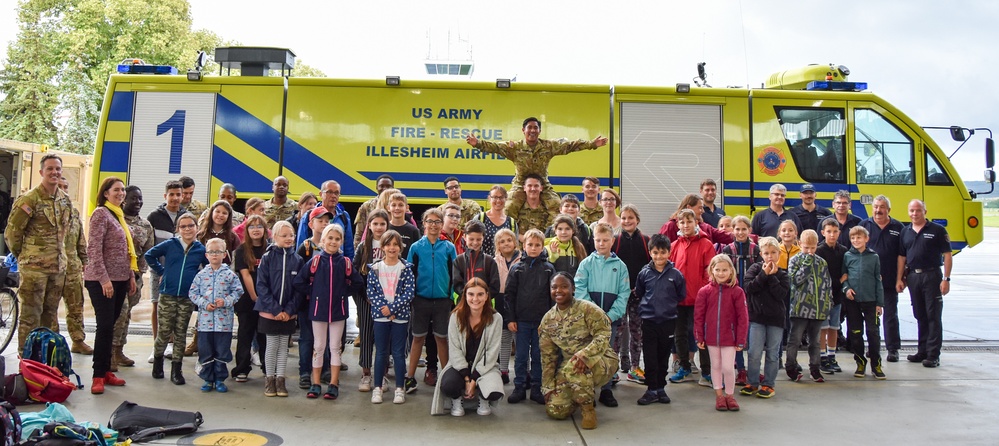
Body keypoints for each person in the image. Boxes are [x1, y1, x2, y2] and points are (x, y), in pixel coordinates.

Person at [466, 116, 607, 217]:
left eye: (535, 128)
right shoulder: (515, 148)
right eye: (529, 128)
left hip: (542, 184)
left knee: (558, 208)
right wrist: (477, 143)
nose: (532, 131)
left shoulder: (548, 146)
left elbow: (570, 146)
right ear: (523, 130)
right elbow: (495, 147)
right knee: (508, 209)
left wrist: (592, 144)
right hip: (520, 185)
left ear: (539, 131)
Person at [5, 154, 73, 350]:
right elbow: (12, 233)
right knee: (30, 316)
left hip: (57, 269)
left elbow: (65, 233)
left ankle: (45, 360)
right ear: (41, 172)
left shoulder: (64, 199)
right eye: (50, 169)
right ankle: (26, 361)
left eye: (58, 169)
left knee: (50, 316)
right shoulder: (29, 199)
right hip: (34, 270)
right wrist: (25, 257)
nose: (54, 172)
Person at [540, 272, 619, 430]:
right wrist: (547, 386)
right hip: (570, 364)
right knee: (555, 410)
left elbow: (604, 334)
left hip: (601, 359)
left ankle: (588, 409)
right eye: (554, 287)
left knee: (575, 367)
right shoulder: (548, 320)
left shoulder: (587, 309)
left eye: (564, 287)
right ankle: (579, 394)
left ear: (573, 289)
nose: (558, 291)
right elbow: (548, 357)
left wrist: (585, 356)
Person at [294, 224, 363, 400]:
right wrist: (314, 293)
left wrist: (343, 294)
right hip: (318, 311)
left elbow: (357, 282)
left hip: (338, 312)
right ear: (323, 240)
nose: (333, 241)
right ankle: (315, 383)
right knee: (318, 346)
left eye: (337, 238)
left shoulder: (345, 262)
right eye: (330, 238)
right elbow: (299, 281)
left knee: (335, 347)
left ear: (341, 241)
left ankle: (333, 383)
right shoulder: (315, 261)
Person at [83, 177, 136, 394]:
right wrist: (104, 279)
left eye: (123, 190)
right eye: (116, 190)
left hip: (121, 279)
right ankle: (97, 375)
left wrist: (131, 275)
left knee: (111, 326)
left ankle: (105, 371)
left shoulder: (118, 215)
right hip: (101, 280)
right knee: (104, 326)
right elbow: (93, 250)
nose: (121, 193)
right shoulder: (100, 214)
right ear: (106, 193)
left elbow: (124, 249)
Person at [145, 212, 207, 385]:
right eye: (183, 226)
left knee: (180, 333)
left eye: (190, 225)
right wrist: (161, 271)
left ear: (197, 227)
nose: (187, 229)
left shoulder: (200, 249)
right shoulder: (171, 244)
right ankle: (157, 364)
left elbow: (208, 268)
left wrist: (198, 279)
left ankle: (176, 369)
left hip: (187, 297)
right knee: (164, 332)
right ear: (178, 229)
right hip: (167, 295)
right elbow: (150, 255)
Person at [575, 222, 631, 408]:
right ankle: (588, 389)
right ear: (593, 240)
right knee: (588, 352)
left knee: (607, 353)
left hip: (610, 320)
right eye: (598, 240)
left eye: (605, 240)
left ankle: (606, 390)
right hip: (589, 320)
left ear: (612, 241)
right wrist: (593, 314)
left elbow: (624, 293)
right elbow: (580, 289)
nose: (601, 243)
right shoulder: (586, 264)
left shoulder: (620, 266)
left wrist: (611, 315)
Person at [431, 278, 505, 416]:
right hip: (458, 366)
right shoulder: (455, 317)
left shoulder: (496, 318)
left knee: (495, 390)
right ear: (465, 296)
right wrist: (466, 378)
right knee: (448, 385)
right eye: (471, 294)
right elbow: (454, 350)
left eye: (480, 294)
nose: (475, 299)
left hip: (485, 366)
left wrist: (474, 378)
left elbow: (492, 353)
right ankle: (456, 401)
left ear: (487, 296)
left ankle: (484, 400)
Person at [404, 208, 457, 394]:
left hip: (443, 301)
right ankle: (409, 378)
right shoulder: (416, 248)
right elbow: (409, 274)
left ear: (442, 225)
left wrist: (451, 297)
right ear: (423, 224)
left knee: (441, 338)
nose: (433, 225)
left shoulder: (449, 248)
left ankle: (446, 377)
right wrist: (412, 297)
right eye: (430, 221)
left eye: (437, 222)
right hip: (421, 300)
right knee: (418, 338)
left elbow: (454, 274)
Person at [896, 199, 951, 368]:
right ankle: (922, 351)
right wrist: (899, 278)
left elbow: (947, 255)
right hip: (913, 277)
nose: (914, 213)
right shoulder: (905, 232)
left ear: (925, 211)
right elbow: (902, 257)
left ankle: (933, 355)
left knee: (933, 315)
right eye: (911, 210)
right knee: (920, 314)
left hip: (932, 275)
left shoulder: (937, 230)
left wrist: (946, 279)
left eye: (918, 210)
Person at [502, 229, 555, 404]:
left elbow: (552, 297)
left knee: (539, 356)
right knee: (521, 356)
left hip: (541, 323)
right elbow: (509, 295)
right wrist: (511, 319)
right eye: (530, 245)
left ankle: (537, 388)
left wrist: (550, 321)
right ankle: (519, 387)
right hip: (521, 322)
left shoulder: (548, 269)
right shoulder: (517, 269)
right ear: (524, 246)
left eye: (537, 245)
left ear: (542, 247)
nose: (533, 248)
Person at [633, 234, 684, 405]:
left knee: (663, 356)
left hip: (668, 322)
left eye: (663, 253)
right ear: (650, 252)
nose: (659, 256)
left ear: (669, 253)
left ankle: (661, 388)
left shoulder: (676, 275)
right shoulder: (644, 273)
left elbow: (680, 295)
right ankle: (651, 389)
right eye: (655, 253)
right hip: (649, 322)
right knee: (650, 357)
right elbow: (639, 292)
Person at [254, 220, 303, 397]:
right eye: (284, 236)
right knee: (272, 345)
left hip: (288, 315)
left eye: (291, 235)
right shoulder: (267, 258)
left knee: (284, 347)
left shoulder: (297, 260)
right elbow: (261, 286)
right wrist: (276, 309)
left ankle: (280, 381)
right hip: (270, 313)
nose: (289, 238)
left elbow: (299, 289)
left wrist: (289, 311)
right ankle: (270, 380)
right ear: (274, 237)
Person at [694, 254, 749, 411]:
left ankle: (730, 396)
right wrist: (699, 335)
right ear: (712, 270)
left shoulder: (737, 292)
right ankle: (719, 396)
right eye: (717, 269)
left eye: (725, 270)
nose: (721, 273)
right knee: (716, 366)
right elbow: (698, 316)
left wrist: (741, 339)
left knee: (728, 368)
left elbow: (743, 318)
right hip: (710, 337)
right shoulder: (704, 292)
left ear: (731, 271)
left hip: (729, 338)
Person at [189, 237, 243, 393]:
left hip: (224, 323)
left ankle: (219, 378)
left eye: (218, 251)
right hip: (205, 324)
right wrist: (204, 304)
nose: (214, 255)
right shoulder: (201, 275)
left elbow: (238, 292)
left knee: (222, 350)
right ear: (206, 255)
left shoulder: (230, 275)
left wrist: (225, 301)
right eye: (211, 252)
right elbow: (193, 293)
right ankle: (207, 378)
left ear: (224, 254)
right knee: (205, 350)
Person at [668, 209, 716, 386]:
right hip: (679, 300)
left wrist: (704, 292)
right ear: (678, 224)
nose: (686, 225)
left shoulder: (706, 244)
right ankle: (685, 368)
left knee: (700, 335)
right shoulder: (674, 246)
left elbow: (709, 271)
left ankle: (707, 372)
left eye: (689, 221)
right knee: (679, 334)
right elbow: (670, 271)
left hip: (699, 299)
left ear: (696, 223)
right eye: (682, 222)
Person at [367, 230, 414, 405]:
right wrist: (384, 309)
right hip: (380, 317)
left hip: (400, 317)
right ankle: (377, 387)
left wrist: (393, 308)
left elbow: (409, 293)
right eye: (388, 244)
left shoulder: (406, 268)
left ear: (400, 247)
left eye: (395, 244)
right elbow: (371, 292)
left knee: (399, 353)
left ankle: (400, 388)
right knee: (380, 353)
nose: (392, 248)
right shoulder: (375, 268)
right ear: (383, 246)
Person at [741, 237, 789, 399]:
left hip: (776, 319)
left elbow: (781, 294)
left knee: (772, 353)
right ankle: (752, 383)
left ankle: (769, 384)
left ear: (779, 254)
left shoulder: (783, 274)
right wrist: (764, 274)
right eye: (766, 253)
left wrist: (772, 276)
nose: (770, 256)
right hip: (756, 319)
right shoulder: (754, 269)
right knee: (754, 352)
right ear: (761, 254)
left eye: (773, 253)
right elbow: (749, 288)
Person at [145, 180, 187, 362]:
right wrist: (159, 270)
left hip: (178, 272)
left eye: (179, 194)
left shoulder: (187, 216)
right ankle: (157, 347)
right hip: (159, 271)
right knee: (157, 305)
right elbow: (149, 246)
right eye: (172, 194)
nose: (175, 198)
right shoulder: (154, 216)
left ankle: (171, 345)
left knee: (176, 308)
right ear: (165, 196)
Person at [113, 185, 154, 370]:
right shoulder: (115, 219)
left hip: (134, 278)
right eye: (133, 198)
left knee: (127, 314)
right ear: (124, 200)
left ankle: (119, 350)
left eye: (140, 198)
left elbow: (148, 251)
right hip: (116, 276)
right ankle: (110, 352)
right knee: (118, 315)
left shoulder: (145, 225)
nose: (137, 202)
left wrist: (139, 273)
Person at [859, 195, 904, 362]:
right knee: (871, 317)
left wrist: (900, 278)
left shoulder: (898, 227)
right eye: (876, 207)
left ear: (888, 210)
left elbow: (902, 256)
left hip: (890, 280)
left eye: (882, 207)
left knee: (890, 315)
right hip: (868, 282)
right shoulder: (864, 225)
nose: (878, 210)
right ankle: (873, 347)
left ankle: (893, 349)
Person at [785, 229, 833, 383]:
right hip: (800, 308)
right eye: (806, 248)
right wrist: (806, 263)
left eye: (813, 248)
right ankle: (791, 366)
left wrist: (828, 302)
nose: (810, 251)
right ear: (800, 244)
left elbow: (827, 284)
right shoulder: (795, 260)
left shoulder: (822, 262)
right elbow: (795, 281)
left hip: (818, 309)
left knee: (816, 341)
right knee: (795, 339)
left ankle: (815, 368)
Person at [611, 204, 651, 384]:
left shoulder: (645, 240)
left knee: (637, 331)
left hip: (638, 294)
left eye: (630, 218)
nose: (627, 221)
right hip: (620, 294)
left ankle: (635, 367)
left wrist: (640, 288)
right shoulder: (615, 240)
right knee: (617, 331)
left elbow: (649, 267)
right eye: (624, 218)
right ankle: (612, 369)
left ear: (637, 220)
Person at [720, 215, 761, 385]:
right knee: (736, 333)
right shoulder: (727, 250)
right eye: (737, 229)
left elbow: (760, 271)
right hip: (733, 296)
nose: (740, 232)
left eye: (744, 229)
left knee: (751, 333)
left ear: (750, 231)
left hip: (752, 296)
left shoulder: (756, 249)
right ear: (732, 231)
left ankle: (753, 370)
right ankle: (740, 369)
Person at [353, 210, 390, 392]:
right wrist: (364, 294)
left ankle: (381, 375)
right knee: (366, 335)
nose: (379, 227)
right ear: (369, 226)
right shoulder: (363, 247)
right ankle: (366, 373)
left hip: (386, 300)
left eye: (382, 224)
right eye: (375, 224)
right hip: (366, 299)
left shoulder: (392, 245)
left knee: (383, 337)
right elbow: (354, 273)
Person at [842, 226, 886, 379]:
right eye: (853, 238)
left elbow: (878, 280)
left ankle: (876, 365)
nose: (855, 240)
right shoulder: (847, 256)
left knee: (873, 333)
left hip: (871, 301)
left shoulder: (874, 257)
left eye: (859, 238)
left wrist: (879, 303)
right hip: (853, 302)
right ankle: (860, 362)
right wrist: (846, 289)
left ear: (866, 239)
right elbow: (844, 277)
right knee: (855, 333)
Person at [231, 215, 270, 383]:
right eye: (251, 226)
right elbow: (246, 275)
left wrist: (265, 299)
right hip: (247, 300)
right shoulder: (241, 250)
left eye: (259, 226)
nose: (256, 229)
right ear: (246, 230)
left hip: (267, 301)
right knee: (245, 334)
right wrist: (255, 297)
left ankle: (268, 368)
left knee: (264, 336)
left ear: (265, 230)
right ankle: (242, 369)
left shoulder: (270, 249)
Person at [58, 177, 92, 355]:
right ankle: (52, 340)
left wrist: (84, 260)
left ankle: (78, 340)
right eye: (59, 186)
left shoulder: (73, 211)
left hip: (72, 267)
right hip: (52, 267)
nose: (63, 190)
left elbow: (80, 238)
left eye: (66, 187)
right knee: (49, 307)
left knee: (76, 306)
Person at [816, 217, 848, 375]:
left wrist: (842, 281)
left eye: (835, 231)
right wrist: (838, 281)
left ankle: (831, 356)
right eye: (829, 231)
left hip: (836, 296)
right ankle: (822, 357)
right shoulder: (819, 251)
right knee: (823, 327)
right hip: (822, 297)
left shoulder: (843, 251)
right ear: (823, 233)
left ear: (839, 233)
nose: (832, 234)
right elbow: (821, 276)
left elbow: (846, 272)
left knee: (834, 327)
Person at [296, 181, 353, 260]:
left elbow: (349, 247)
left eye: (336, 193)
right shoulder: (309, 215)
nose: (333, 196)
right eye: (329, 192)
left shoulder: (344, 216)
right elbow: (300, 245)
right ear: (320, 194)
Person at [493, 228, 521, 384]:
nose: (506, 243)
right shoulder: (494, 261)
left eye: (509, 240)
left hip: (518, 301)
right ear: (498, 245)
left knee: (519, 339)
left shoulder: (522, 259)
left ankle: (524, 371)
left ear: (515, 242)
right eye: (502, 241)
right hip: (501, 301)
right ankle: (503, 370)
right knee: (504, 339)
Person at [658, 194, 734, 244]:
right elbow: (660, 249)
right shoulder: (670, 227)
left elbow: (724, 236)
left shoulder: (705, 227)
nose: (703, 211)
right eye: (700, 208)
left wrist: (741, 234)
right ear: (689, 208)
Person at [452, 220, 500, 298]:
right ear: (464, 237)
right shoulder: (459, 260)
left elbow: (495, 286)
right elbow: (457, 284)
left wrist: (481, 297)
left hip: (484, 305)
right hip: (464, 304)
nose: (475, 243)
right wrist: (469, 296)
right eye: (471, 239)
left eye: (478, 239)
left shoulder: (489, 261)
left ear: (483, 238)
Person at [353, 174, 394, 248]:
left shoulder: (397, 207)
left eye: (388, 186)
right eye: (381, 186)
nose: (384, 189)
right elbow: (359, 233)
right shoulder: (366, 206)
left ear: (392, 188)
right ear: (376, 187)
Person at [477, 185, 517, 258]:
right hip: (483, 265)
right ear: (489, 198)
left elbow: (515, 247)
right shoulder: (480, 219)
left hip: (504, 266)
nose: (498, 201)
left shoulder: (511, 222)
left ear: (506, 199)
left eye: (501, 197)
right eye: (495, 197)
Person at [387, 192, 422, 259]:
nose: (397, 208)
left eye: (401, 205)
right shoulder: (385, 228)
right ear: (388, 208)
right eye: (393, 205)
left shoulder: (413, 230)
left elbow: (418, 253)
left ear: (407, 207)